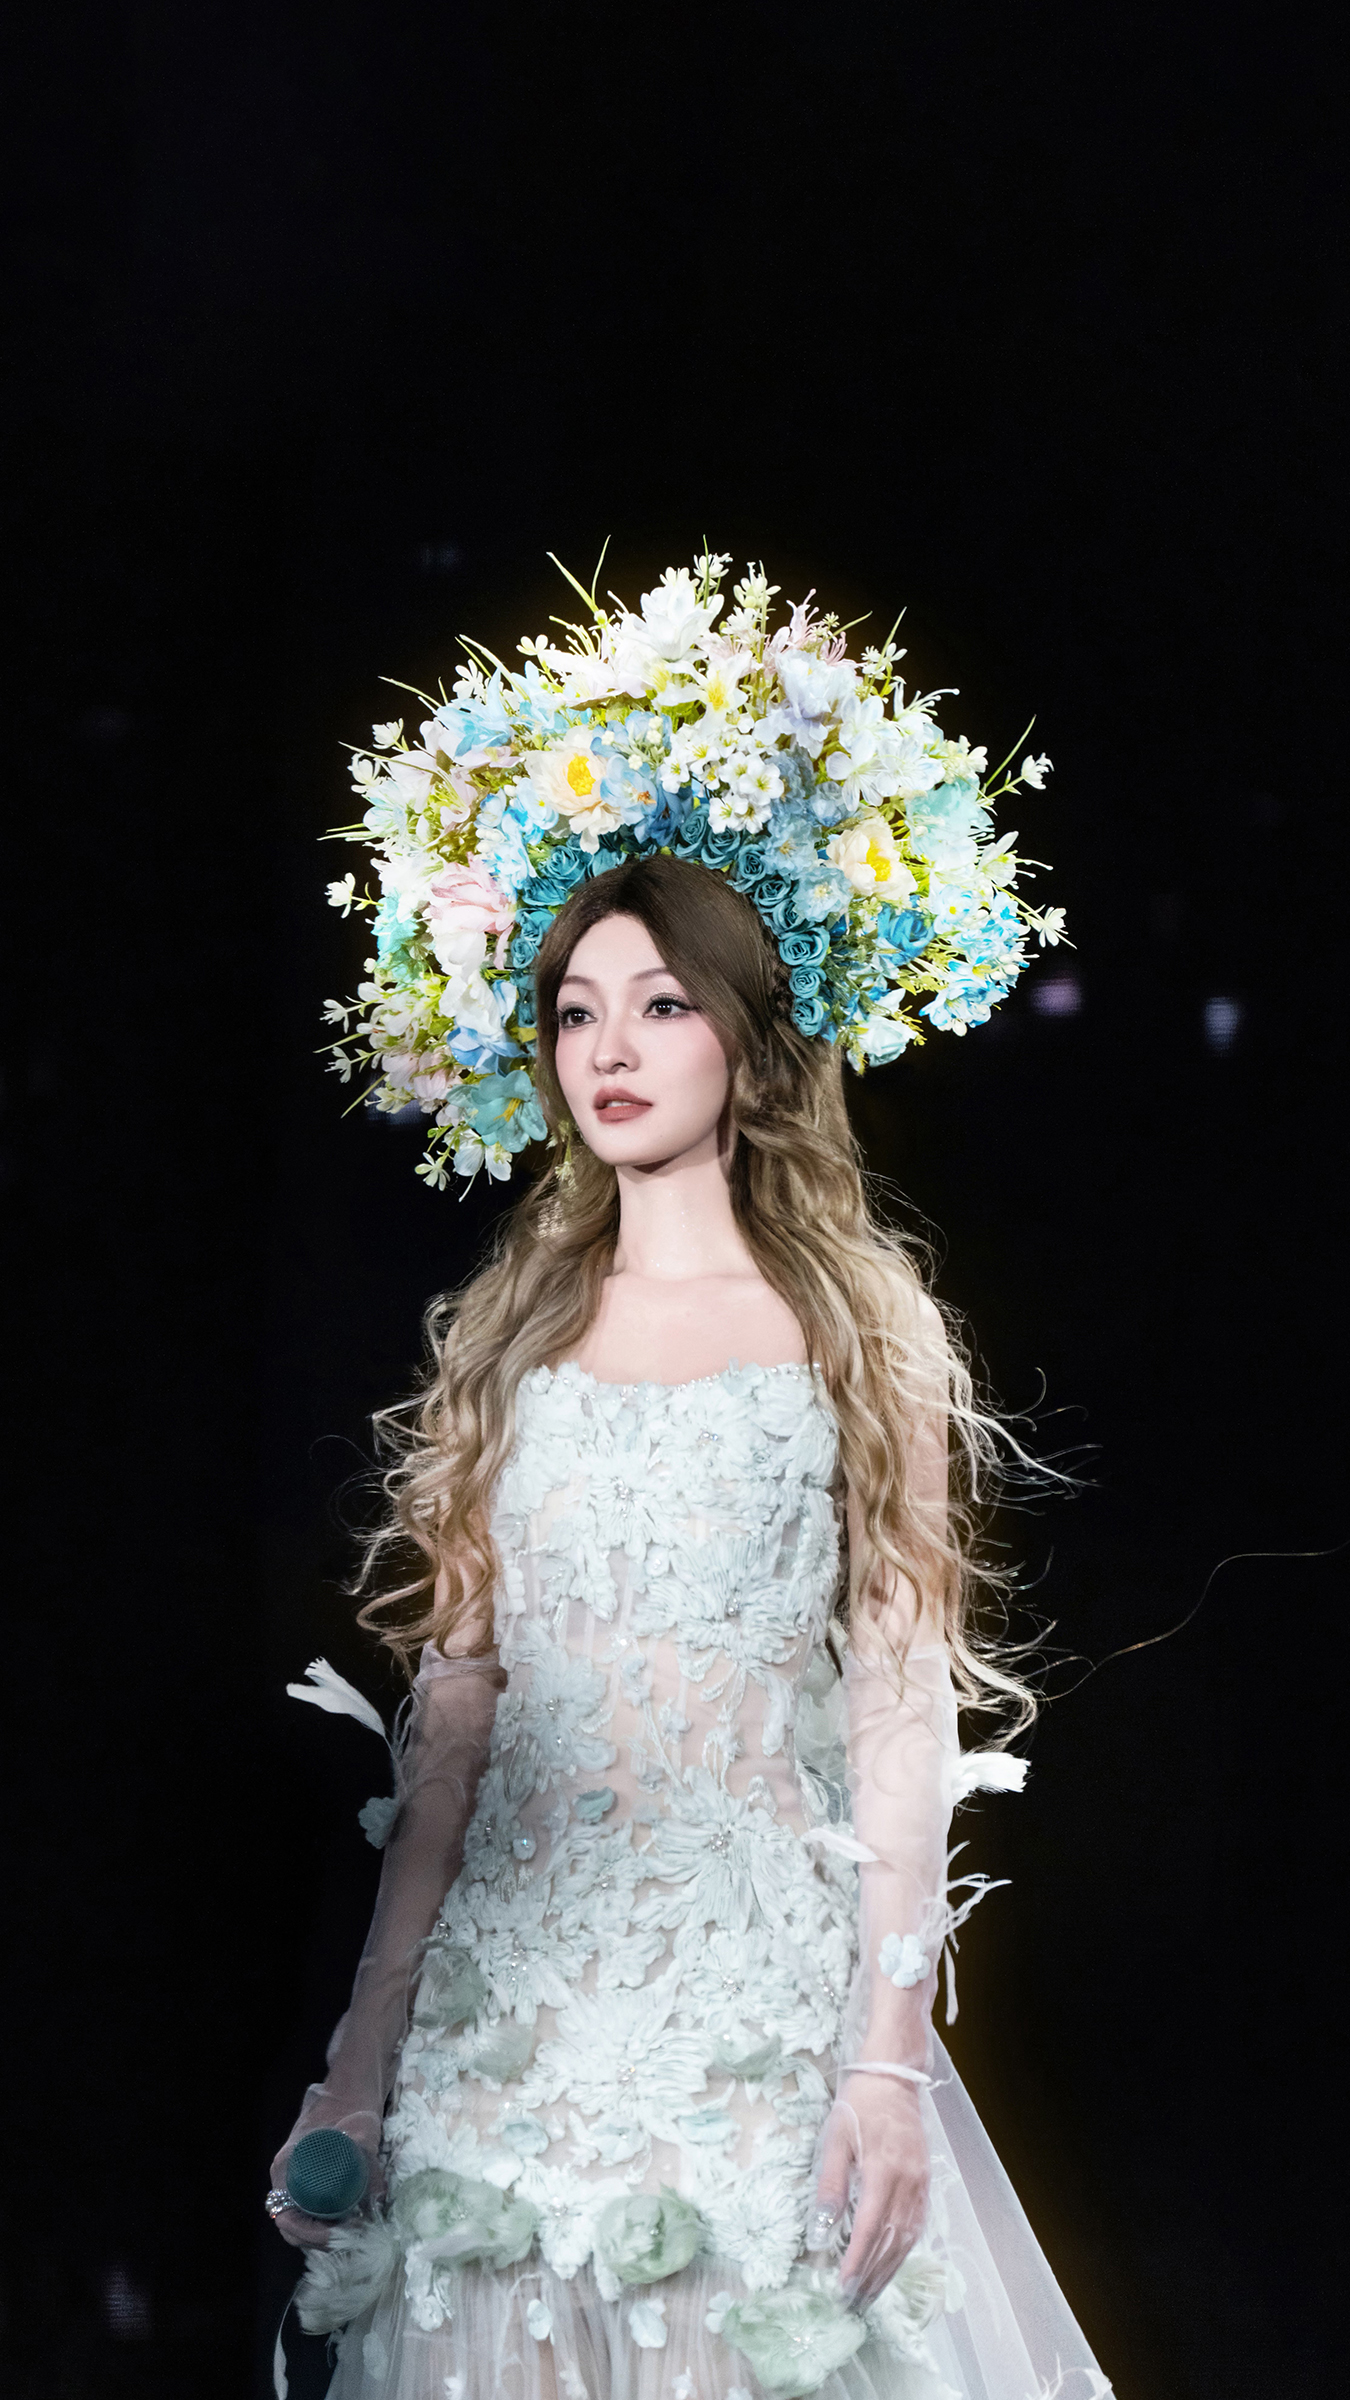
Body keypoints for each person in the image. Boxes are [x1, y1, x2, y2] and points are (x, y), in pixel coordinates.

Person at [268, 854, 1111, 2400]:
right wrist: (359, 2063)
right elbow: (452, 1731)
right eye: (575, 1012)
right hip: (503, 2039)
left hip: (751, 2030)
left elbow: (899, 1705)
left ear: (744, 1032)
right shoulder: (506, 1340)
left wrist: (884, 2058)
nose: (608, 1049)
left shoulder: (858, 1328)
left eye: (660, 1006)